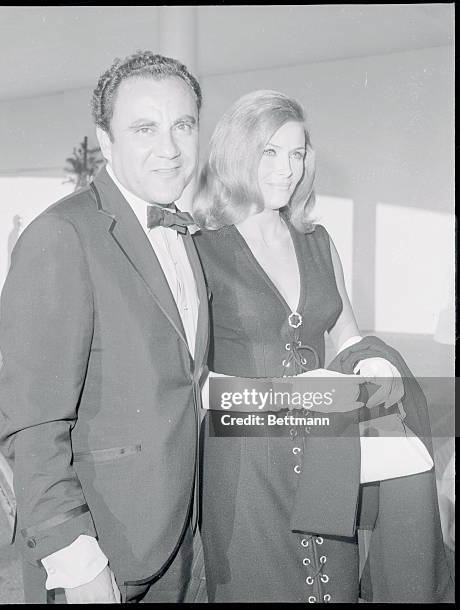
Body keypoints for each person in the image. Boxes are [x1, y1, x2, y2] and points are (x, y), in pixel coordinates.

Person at [191, 90, 453, 602]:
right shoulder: (200, 248)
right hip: (245, 463)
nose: (286, 170)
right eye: (270, 152)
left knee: (334, 583)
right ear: (236, 152)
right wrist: (286, 398)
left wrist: (371, 360)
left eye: (296, 153)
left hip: (328, 453)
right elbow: (192, 380)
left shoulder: (316, 239)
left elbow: (346, 334)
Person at [0, 51, 209, 604]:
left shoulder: (192, 234)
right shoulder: (62, 235)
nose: (169, 147)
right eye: (145, 128)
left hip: (183, 542)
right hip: (103, 553)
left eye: (183, 125)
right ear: (106, 140)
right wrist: (76, 559)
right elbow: (33, 423)